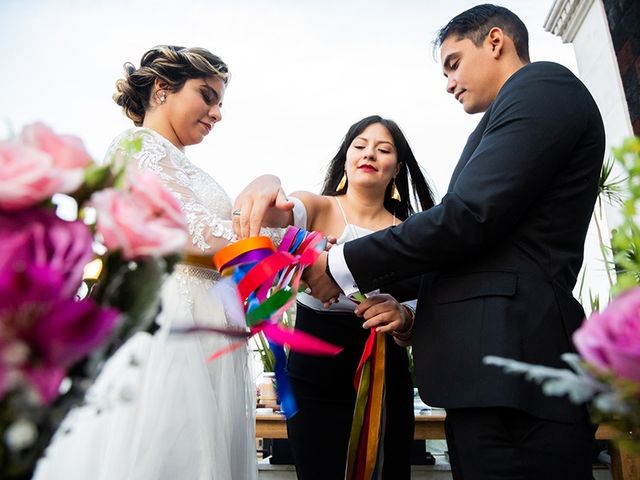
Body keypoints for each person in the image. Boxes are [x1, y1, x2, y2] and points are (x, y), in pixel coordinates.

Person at [240, 5, 606, 480]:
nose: (448, 83)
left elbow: (469, 217)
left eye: (453, 63)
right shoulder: (508, 113)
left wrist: (338, 266)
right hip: (484, 374)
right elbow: (472, 246)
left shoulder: (542, 87)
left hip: (513, 365)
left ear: (495, 42)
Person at [34, 45, 281, 480]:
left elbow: (222, 226)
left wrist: (284, 225)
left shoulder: (180, 162)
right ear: (163, 89)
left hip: (206, 320)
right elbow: (190, 232)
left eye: (221, 102)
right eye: (208, 95)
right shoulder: (136, 147)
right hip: (173, 323)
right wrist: (287, 245)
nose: (217, 113)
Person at [241, 115, 435, 479]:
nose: (369, 154)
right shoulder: (316, 207)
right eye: (359, 146)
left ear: (397, 167)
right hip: (312, 380)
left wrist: (404, 318)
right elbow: (274, 217)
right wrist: (268, 182)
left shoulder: (411, 231)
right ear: (345, 158)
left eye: (383, 149)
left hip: (385, 378)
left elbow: (428, 307)